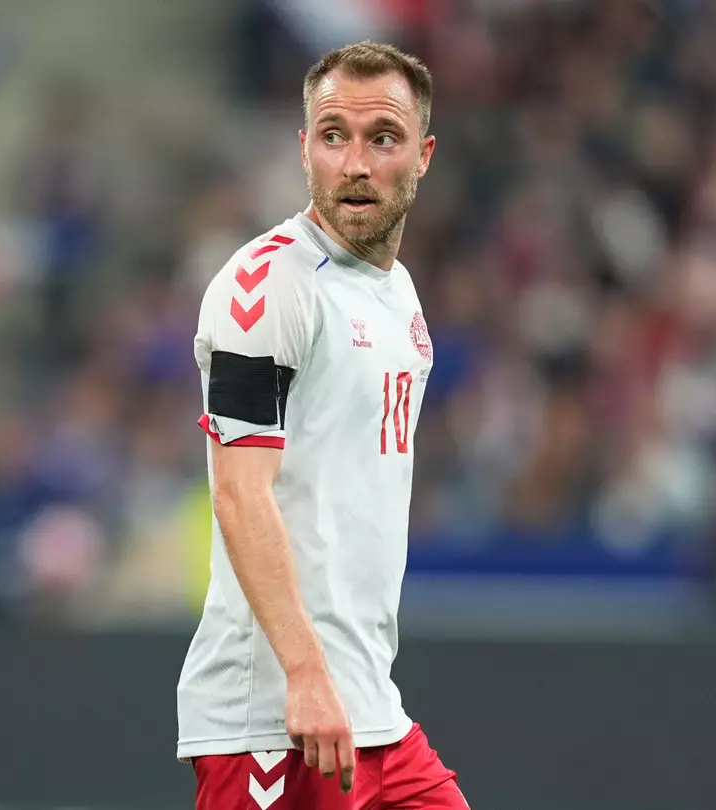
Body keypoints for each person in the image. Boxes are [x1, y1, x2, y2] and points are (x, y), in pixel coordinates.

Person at [178, 42, 469, 809]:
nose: (356, 162)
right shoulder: (263, 287)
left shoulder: (397, 294)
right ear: (304, 147)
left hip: (370, 708)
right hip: (276, 721)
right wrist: (306, 679)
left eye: (383, 137)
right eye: (334, 135)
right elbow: (240, 496)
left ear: (424, 154)